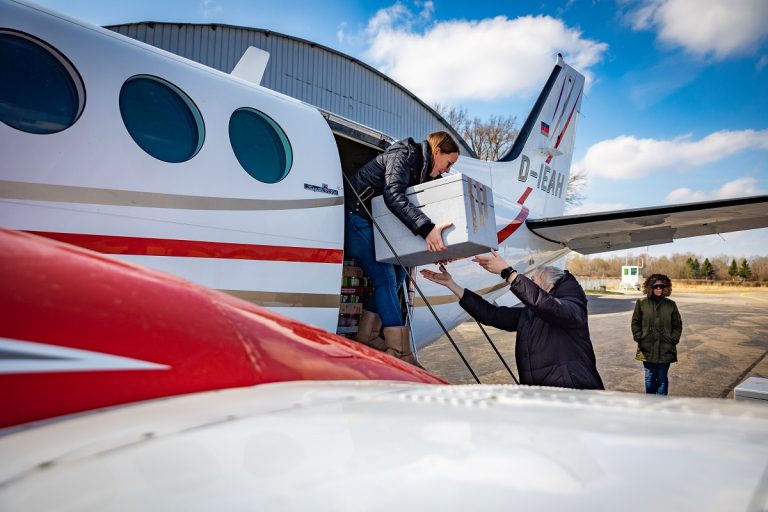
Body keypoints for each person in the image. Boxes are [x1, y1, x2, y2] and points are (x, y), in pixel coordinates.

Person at [344, 131, 459, 365]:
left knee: (397, 276)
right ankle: (400, 351)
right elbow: (393, 195)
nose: (448, 170)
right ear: (437, 152)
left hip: (374, 224)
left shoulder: (424, 173)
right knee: (385, 276)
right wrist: (427, 230)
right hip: (356, 216)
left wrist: (439, 246)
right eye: (449, 163)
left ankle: (367, 335)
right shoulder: (403, 154)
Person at [420, 251, 604, 390]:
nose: (529, 283)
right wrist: (451, 284)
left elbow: (549, 306)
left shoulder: (573, 308)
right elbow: (491, 314)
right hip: (541, 395)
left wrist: (509, 273)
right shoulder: (531, 314)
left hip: (573, 394)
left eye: (534, 280)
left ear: (549, 286)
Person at [631, 274, 682, 396]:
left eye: (661, 286)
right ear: (650, 288)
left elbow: (677, 325)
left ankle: (661, 405)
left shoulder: (671, 305)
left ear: (665, 288)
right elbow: (635, 322)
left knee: (662, 378)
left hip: (666, 347)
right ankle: (650, 404)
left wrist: (673, 339)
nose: (658, 289)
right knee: (650, 377)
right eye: (655, 286)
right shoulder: (641, 303)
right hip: (647, 347)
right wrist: (639, 337)